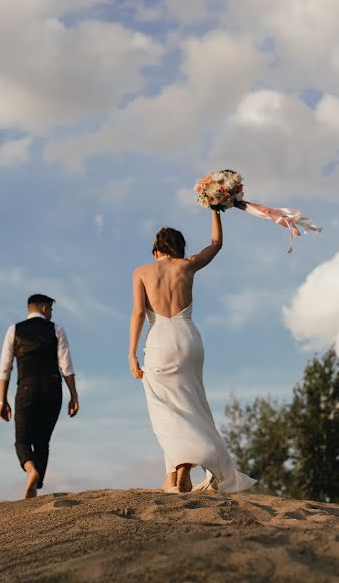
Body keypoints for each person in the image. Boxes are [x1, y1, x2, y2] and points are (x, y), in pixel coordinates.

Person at [128, 211, 256, 493]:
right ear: (178, 248)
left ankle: (183, 463)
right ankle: (174, 474)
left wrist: (132, 354)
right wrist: (215, 209)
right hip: (188, 339)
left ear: (157, 249)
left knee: (165, 407)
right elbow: (216, 243)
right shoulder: (187, 266)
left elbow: (139, 313)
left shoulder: (141, 272)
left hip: (159, 340)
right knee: (192, 402)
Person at [0, 293, 79, 499]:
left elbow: (4, 368)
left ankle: (31, 471)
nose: (51, 314)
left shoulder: (14, 330)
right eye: (51, 309)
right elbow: (66, 365)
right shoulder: (56, 329)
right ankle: (37, 482)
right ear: (44, 308)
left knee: (22, 440)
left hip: (27, 387)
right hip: (53, 388)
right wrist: (74, 396)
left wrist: (2, 400)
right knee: (43, 441)